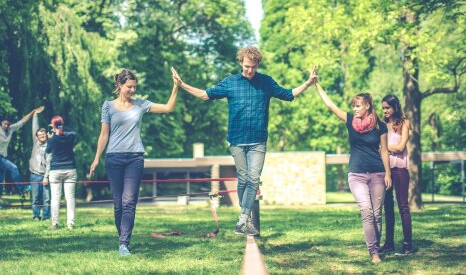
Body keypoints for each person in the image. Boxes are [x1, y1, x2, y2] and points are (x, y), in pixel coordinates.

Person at [171, 46, 317, 236]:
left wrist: (308, 83)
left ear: (258, 65)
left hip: (258, 141)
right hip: (237, 140)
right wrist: (182, 85)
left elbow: (288, 94)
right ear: (241, 62)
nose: (250, 70)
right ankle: (245, 219)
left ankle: (243, 218)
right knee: (243, 178)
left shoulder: (266, 82)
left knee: (253, 179)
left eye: (254, 67)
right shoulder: (230, 83)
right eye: (247, 66)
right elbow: (205, 95)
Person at [89, 69, 179, 256]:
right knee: (118, 204)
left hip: (135, 158)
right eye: (129, 86)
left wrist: (176, 87)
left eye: (134, 87)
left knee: (129, 201)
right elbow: (104, 134)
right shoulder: (108, 106)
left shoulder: (141, 104)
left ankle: (124, 243)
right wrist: (96, 157)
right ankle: (122, 236)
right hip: (113, 157)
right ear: (120, 85)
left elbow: (168, 108)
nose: (132, 90)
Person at [315, 82, 392, 264]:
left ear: (367, 106)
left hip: (377, 173)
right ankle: (373, 252)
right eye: (353, 106)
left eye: (357, 105)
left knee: (377, 214)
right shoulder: (350, 120)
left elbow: (384, 151)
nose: (354, 108)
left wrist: (388, 173)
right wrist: (316, 84)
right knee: (366, 210)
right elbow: (330, 105)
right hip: (356, 173)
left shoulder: (380, 126)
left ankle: (376, 246)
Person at [0, 107, 41, 209]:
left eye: (8, 124)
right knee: (13, 168)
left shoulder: (11, 129)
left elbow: (22, 121)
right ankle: (22, 189)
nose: (6, 126)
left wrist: (33, 111)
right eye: (5, 124)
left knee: (0, 181)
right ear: (1, 123)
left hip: (0, 158)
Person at [379, 94, 413, 255]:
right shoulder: (381, 125)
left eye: (388, 107)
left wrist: (384, 148)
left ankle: (407, 246)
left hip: (400, 170)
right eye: (383, 108)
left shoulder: (405, 123)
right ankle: (389, 244)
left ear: (395, 107)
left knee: (403, 206)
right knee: (388, 208)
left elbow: (400, 147)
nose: (385, 110)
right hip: (385, 170)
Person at [43, 115, 77, 229]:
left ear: (52, 126)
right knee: (70, 198)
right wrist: (60, 127)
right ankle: (70, 223)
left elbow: (47, 151)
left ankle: (55, 223)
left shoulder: (52, 139)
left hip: (55, 170)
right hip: (70, 169)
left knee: (55, 198)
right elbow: (74, 132)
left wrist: (51, 135)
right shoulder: (70, 137)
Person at [29, 106, 50, 221]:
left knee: (46, 198)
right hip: (34, 174)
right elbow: (34, 128)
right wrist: (35, 115)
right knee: (36, 197)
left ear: (46, 135)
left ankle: (46, 216)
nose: (42, 136)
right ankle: (36, 216)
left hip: (45, 175)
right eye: (40, 135)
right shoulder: (36, 143)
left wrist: (46, 177)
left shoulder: (49, 145)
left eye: (44, 135)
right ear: (37, 137)